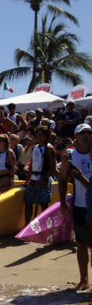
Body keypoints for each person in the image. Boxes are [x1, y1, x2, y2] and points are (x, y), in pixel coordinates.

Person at [59, 123, 92, 290]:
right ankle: (84, 279)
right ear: (76, 137)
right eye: (82, 133)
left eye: (89, 133)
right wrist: (62, 201)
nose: (86, 136)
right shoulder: (70, 157)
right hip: (80, 206)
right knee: (81, 244)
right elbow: (63, 180)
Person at [24, 126, 57, 225]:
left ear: (46, 136)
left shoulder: (50, 148)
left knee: (43, 204)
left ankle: (44, 226)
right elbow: (32, 164)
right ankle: (27, 226)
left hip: (43, 180)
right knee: (28, 202)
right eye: (36, 134)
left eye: (40, 134)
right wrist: (28, 179)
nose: (38, 136)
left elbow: (53, 168)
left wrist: (43, 179)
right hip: (33, 179)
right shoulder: (35, 147)